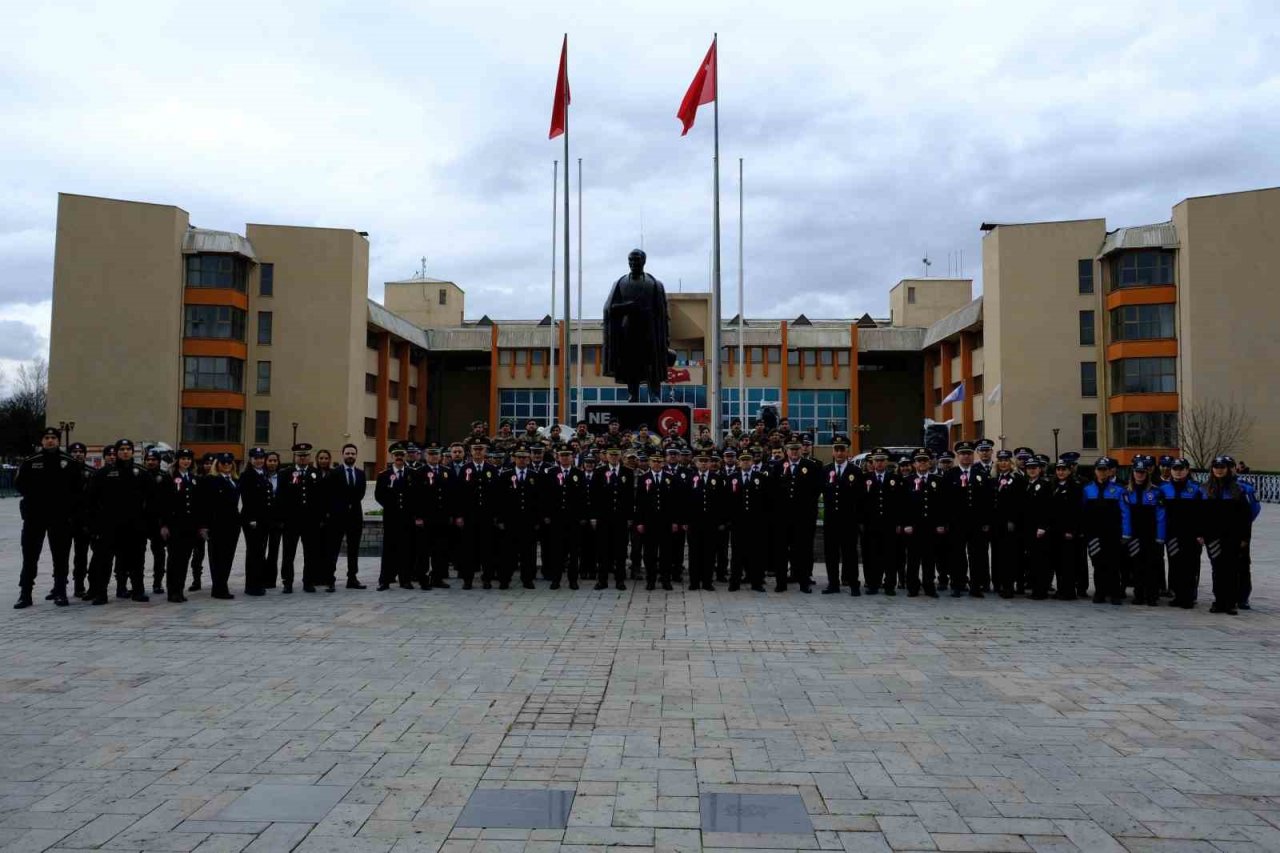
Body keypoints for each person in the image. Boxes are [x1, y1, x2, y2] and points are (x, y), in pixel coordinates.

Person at [14, 427, 81, 609]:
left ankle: (60, 592)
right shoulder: (31, 462)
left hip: (60, 518)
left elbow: (77, 490)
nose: (50, 441)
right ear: (41, 441)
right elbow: (20, 485)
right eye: (46, 438)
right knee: (30, 557)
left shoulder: (69, 462)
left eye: (53, 438)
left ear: (58, 441)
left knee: (60, 557)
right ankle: (25, 594)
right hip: (35, 518)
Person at [87, 439, 152, 604]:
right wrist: (95, 525)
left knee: (137, 561)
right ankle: (101, 594)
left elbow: (151, 500)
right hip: (110, 525)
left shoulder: (142, 473)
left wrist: (146, 523)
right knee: (105, 561)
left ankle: (138, 591)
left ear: (132, 452)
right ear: (116, 452)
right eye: (121, 449)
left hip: (134, 526)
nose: (125, 452)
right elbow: (91, 500)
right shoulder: (103, 473)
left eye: (128, 449)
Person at [1202, 455, 1261, 615]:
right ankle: (1219, 601)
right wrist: (1201, 533)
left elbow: (1247, 515)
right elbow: (1201, 515)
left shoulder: (1240, 489)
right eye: (1216, 467)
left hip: (1233, 537)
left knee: (1233, 569)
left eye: (1223, 467)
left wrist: (1244, 537)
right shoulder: (1205, 489)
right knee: (1217, 569)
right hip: (1213, 537)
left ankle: (1233, 601)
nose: (1219, 470)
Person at [943, 441, 991, 597]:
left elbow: (986, 501)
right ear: (958, 456)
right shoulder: (950, 474)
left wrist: (985, 522)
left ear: (973, 455)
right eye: (963, 453)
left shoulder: (981, 475)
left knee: (976, 555)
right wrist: (947, 522)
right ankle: (958, 584)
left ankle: (975, 586)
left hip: (976, 523)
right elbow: (945, 501)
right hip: (957, 523)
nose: (966, 456)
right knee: (957, 555)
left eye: (969, 453)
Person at [279, 443, 327, 594]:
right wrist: (282, 519)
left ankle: (309, 581)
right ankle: (287, 582)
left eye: (305, 455)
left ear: (309, 457)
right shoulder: (286, 473)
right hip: (291, 521)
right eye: (300, 455)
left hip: (310, 521)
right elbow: (281, 497)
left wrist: (320, 518)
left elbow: (321, 498)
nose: (302, 458)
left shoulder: (315, 473)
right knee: (288, 553)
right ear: (295, 457)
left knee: (311, 552)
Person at [1120, 459, 1166, 606]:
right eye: (1137, 472)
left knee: (1152, 566)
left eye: (1142, 472)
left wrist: (1160, 536)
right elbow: (1125, 514)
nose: (1139, 475)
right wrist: (1126, 534)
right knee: (1137, 566)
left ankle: (1152, 595)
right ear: (1133, 474)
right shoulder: (1126, 492)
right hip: (1134, 535)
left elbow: (1161, 516)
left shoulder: (1156, 492)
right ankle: (1138, 595)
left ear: (1147, 474)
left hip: (1151, 535)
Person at [1158, 458, 1203, 609]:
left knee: (1191, 566)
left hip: (1191, 534)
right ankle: (1178, 595)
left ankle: (1189, 597)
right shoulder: (1163, 489)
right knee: (1175, 564)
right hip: (1172, 534)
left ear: (1187, 470)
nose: (1178, 471)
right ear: (1171, 470)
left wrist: (1201, 532)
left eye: (1181, 468)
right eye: (1175, 469)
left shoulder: (1196, 489)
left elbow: (1203, 513)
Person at [1081, 457, 1126, 605]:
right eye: (1099, 469)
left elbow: (1125, 513)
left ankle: (1115, 593)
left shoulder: (1119, 489)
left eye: (1105, 470)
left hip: (1112, 534)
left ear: (1110, 471)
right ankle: (1100, 592)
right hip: (1094, 534)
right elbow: (1082, 512)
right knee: (1098, 564)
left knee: (1114, 564)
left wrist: (1125, 532)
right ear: (1095, 471)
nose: (1102, 472)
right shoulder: (1087, 489)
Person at [821, 435, 862, 595]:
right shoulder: (826, 470)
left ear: (847, 451)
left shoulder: (855, 471)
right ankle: (833, 583)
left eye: (842, 450)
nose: (839, 453)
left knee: (850, 553)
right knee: (831, 553)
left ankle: (853, 584)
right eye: (836, 450)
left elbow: (860, 497)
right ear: (833, 451)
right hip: (831, 520)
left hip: (848, 520)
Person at [457, 442, 501, 589]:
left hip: (487, 517)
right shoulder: (465, 469)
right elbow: (460, 495)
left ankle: (487, 578)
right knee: (468, 549)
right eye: (475, 449)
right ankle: (467, 579)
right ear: (470, 452)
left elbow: (497, 495)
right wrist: (460, 516)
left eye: (480, 449)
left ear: (485, 451)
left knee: (487, 548)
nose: (478, 452)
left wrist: (496, 516)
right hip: (470, 516)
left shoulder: (491, 469)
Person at [375, 443, 419, 590]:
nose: (399, 458)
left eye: (402, 455)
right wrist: (391, 507)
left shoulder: (412, 474)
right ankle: (385, 580)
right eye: (396, 455)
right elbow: (379, 495)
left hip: (407, 518)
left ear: (406, 456)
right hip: (391, 518)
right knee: (388, 550)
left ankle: (405, 580)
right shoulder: (384, 475)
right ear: (392, 457)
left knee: (406, 549)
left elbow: (416, 496)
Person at [901, 448, 944, 598]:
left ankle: (929, 586)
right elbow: (904, 505)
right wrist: (906, 524)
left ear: (930, 462)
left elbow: (941, 505)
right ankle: (912, 586)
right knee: (913, 559)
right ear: (914, 464)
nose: (923, 463)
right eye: (919, 461)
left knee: (929, 559)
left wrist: (941, 523)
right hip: (914, 527)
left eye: (925, 460)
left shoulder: (937, 480)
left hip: (931, 527)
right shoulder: (907, 481)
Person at [859, 447, 902, 596]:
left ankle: (889, 584)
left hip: (889, 524)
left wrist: (898, 523)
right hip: (871, 524)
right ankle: (873, 584)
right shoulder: (865, 479)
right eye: (876, 460)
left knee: (890, 555)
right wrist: (862, 522)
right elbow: (861, 503)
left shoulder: (895, 479)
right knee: (872, 555)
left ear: (887, 462)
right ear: (872, 462)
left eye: (882, 460)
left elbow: (899, 503)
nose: (879, 463)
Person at [198, 452, 241, 600]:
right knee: (217, 557)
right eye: (223, 463)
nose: (227, 465)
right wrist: (204, 525)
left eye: (229, 463)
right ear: (218, 465)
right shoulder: (210, 480)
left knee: (228, 556)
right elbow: (204, 504)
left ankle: (223, 584)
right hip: (216, 524)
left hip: (232, 524)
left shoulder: (235, 480)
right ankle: (219, 587)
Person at [542, 447, 585, 590]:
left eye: (568, 455)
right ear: (557, 457)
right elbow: (546, 496)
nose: (565, 458)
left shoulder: (578, 473)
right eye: (562, 455)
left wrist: (582, 516)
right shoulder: (551, 473)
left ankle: (573, 580)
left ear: (572, 457)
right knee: (557, 551)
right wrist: (547, 515)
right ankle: (556, 579)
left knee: (573, 552)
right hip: (556, 519)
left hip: (573, 519)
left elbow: (583, 497)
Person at [636, 453, 680, 591]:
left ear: (663, 463)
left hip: (665, 522)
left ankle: (666, 580)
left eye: (659, 462)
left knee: (666, 553)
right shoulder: (643, 478)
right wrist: (640, 522)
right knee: (650, 553)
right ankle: (651, 580)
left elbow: (674, 502)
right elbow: (639, 502)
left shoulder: (670, 478)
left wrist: (674, 521)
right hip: (649, 522)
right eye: (654, 461)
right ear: (649, 463)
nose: (656, 464)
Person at [499, 449, 541, 589]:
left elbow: (539, 500)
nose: (522, 460)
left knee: (528, 554)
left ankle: (527, 579)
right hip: (511, 521)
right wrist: (501, 520)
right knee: (507, 553)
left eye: (525, 457)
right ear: (514, 459)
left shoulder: (534, 475)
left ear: (528, 459)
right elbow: (500, 499)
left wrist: (537, 521)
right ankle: (505, 579)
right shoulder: (505, 475)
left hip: (528, 522)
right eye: (519, 457)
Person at [591, 446, 632, 590]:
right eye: (611, 455)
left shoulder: (628, 472)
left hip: (620, 518)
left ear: (620, 456)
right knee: (603, 550)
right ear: (606, 456)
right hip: (604, 517)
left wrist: (629, 517)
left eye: (616, 455)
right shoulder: (599, 472)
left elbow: (630, 497)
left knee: (620, 550)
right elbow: (594, 496)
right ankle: (602, 580)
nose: (614, 457)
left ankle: (620, 580)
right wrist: (594, 516)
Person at [728, 450, 770, 591]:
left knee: (756, 553)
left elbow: (766, 501)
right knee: (737, 554)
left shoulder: (761, 477)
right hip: (738, 523)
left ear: (752, 462)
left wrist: (764, 520)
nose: (745, 462)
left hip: (756, 523)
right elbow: (726, 501)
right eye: (743, 460)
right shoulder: (732, 478)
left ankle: (756, 582)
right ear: (738, 462)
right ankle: (735, 582)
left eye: (748, 459)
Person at [162, 449, 200, 602]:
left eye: (189, 459)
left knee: (185, 559)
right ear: (177, 460)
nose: (186, 462)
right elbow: (164, 503)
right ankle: (173, 591)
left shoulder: (193, 478)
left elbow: (197, 504)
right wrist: (164, 524)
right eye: (183, 459)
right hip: (175, 525)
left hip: (189, 526)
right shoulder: (170, 477)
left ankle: (180, 589)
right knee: (174, 559)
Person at [686, 452, 726, 591]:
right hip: (694, 522)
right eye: (700, 461)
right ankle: (694, 582)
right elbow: (685, 501)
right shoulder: (691, 478)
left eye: (706, 461)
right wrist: (685, 521)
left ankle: (707, 581)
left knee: (709, 553)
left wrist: (721, 521)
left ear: (710, 463)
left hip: (711, 523)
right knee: (694, 553)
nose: (703, 464)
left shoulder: (717, 478)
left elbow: (722, 502)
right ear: (696, 463)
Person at [416, 447, 454, 589]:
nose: (433, 456)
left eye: (436, 454)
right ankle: (423, 578)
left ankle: (437, 578)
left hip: (442, 518)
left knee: (441, 550)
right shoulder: (419, 472)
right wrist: (418, 517)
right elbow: (415, 497)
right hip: (426, 519)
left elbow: (452, 495)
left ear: (440, 456)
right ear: (426, 456)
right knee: (424, 551)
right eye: (430, 454)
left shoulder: (447, 472)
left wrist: (451, 515)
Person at [331, 443, 368, 589]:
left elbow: (361, 493)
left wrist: (350, 502)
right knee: (334, 548)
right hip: (338, 517)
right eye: (348, 453)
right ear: (343, 454)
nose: (350, 456)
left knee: (353, 549)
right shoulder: (335, 473)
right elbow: (332, 494)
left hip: (355, 517)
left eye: (353, 453)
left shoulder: (360, 473)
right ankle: (330, 579)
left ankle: (352, 578)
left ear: (356, 455)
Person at [989, 450, 1025, 598]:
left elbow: (1019, 503)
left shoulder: (1016, 479)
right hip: (995, 523)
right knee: (996, 554)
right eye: (1000, 460)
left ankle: (1008, 585)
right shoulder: (993, 479)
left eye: (1006, 460)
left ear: (1011, 463)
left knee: (1008, 556)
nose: (1003, 463)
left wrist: (1013, 520)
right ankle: (998, 583)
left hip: (1009, 524)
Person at [238, 448, 273, 597]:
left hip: (264, 520)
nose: (259, 460)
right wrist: (252, 519)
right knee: (253, 552)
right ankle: (252, 585)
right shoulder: (247, 475)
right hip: (253, 520)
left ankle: (259, 582)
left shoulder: (264, 474)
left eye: (261, 458)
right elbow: (247, 499)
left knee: (260, 552)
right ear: (251, 459)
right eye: (256, 458)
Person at [1019, 456, 1054, 599]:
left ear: (1040, 469)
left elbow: (1048, 508)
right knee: (1032, 560)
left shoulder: (1044, 485)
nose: (1032, 470)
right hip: (1027, 528)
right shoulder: (1025, 484)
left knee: (1040, 560)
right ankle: (1034, 587)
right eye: (1029, 468)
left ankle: (1041, 590)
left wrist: (1043, 526)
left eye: (1034, 468)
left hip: (1039, 528)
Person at [67, 442, 95, 599]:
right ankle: (59, 586)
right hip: (65, 519)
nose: (77, 454)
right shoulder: (62, 472)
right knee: (61, 556)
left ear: (85, 454)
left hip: (83, 520)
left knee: (81, 555)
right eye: (74, 451)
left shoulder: (91, 473)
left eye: (80, 451)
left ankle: (79, 585)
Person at [142, 448, 169, 595]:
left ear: (159, 462)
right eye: (148, 460)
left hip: (157, 521)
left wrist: (165, 523)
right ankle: (135, 583)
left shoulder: (164, 477)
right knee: (137, 553)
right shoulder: (139, 474)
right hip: (141, 520)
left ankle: (157, 583)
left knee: (159, 554)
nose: (151, 462)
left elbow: (167, 501)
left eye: (154, 460)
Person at [188, 452, 215, 591]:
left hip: (214, 522)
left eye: (211, 463)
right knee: (198, 553)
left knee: (215, 554)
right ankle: (196, 580)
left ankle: (217, 580)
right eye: (206, 463)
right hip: (199, 522)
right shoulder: (196, 479)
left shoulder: (219, 479)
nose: (209, 466)